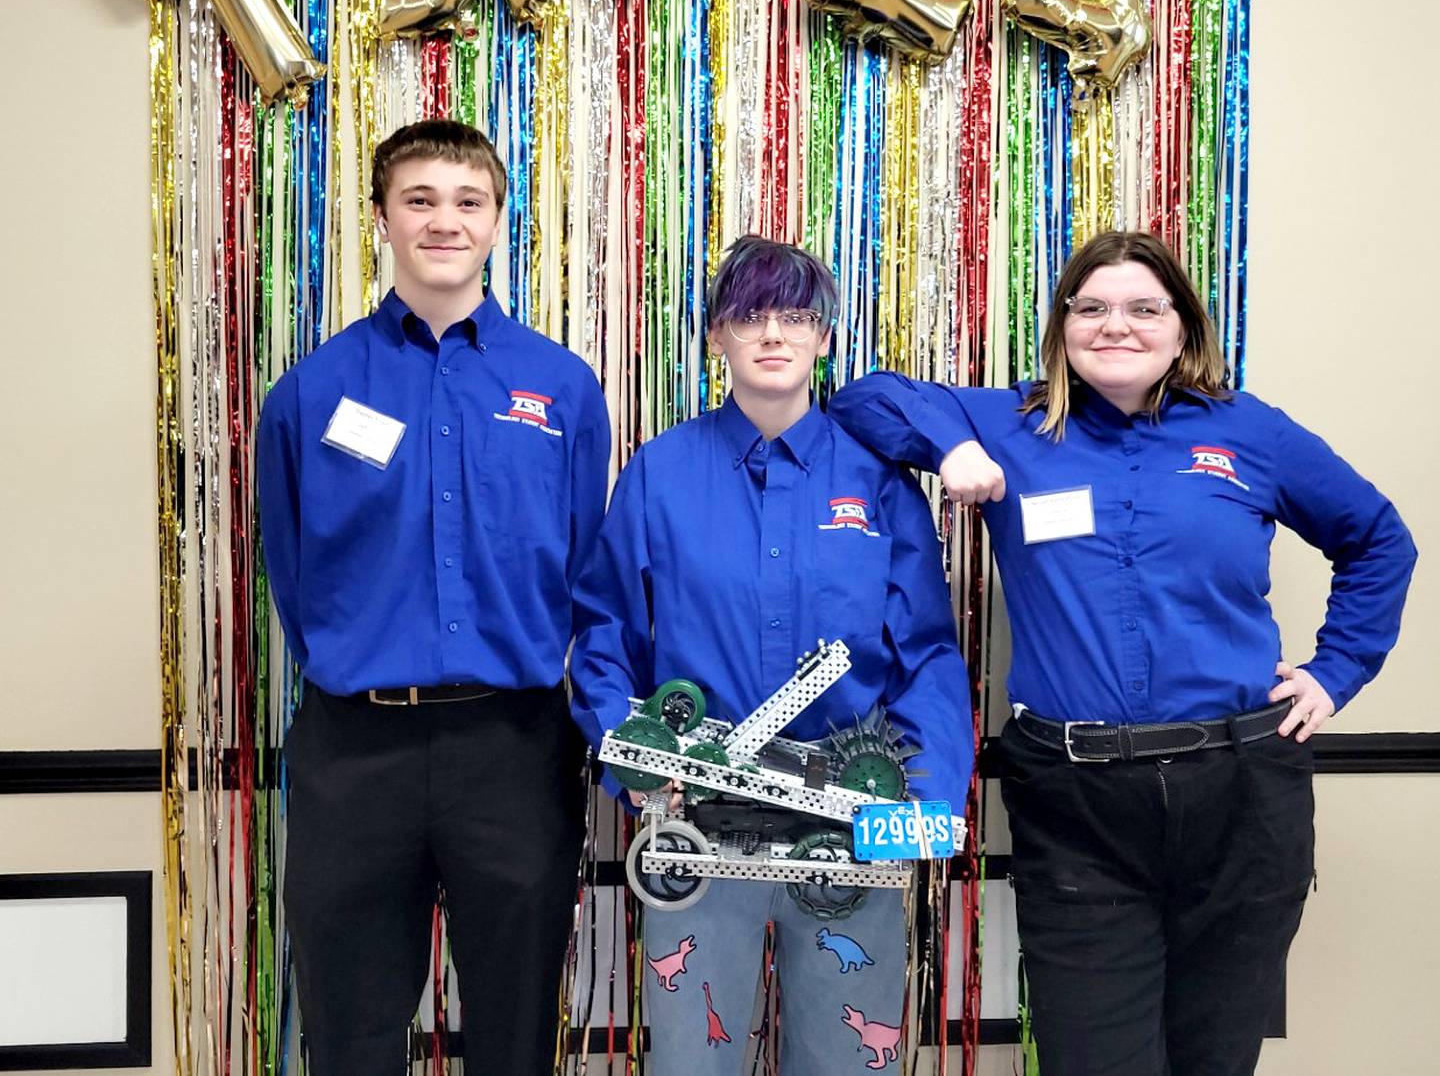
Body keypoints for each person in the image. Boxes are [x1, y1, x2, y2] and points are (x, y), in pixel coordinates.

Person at [829, 229, 1416, 1076]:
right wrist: (951, 448)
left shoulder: (1249, 430)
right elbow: (864, 399)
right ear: (1063, 324)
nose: (1117, 325)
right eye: (1093, 307)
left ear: (1183, 328)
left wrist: (1336, 671)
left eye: (1145, 308)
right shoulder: (1011, 422)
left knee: (1214, 1057)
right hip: (1077, 805)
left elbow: (1378, 540)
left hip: (1240, 794)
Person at [570, 235, 974, 1076]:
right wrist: (631, 756)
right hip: (698, 830)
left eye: (796, 315)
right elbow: (604, 636)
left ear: (825, 336)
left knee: (847, 1061)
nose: (773, 334)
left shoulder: (878, 483)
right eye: (749, 315)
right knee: (692, 1063)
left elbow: (927, 655)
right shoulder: (661, 474)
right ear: (716, 335)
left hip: (855, 836)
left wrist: (928, 797)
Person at [256, 119, 610, 1076]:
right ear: (380, 218)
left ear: (499, 221)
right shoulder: (310, 392)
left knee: (514, 1028)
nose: (443, 220)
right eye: (419, 199)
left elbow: (584, 564)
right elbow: (292, 572)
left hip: (514, 746)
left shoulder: (563, 389)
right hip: (355, 751)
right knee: (353, 1030)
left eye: (467, 201)